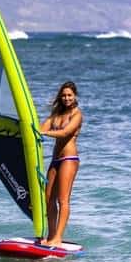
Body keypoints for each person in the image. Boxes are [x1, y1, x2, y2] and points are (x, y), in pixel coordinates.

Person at [39, 81, 82, 247]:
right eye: (63, 95)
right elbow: (41, 128)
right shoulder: (56, 114)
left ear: (75, 96)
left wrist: (44, 132)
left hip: (69, 159)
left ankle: (58, 238)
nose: (66, 98)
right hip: (55, 160)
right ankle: (51, 236)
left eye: (69, 95)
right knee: (48, 199)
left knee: (63, 200)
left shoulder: (77, 115)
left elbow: (65, 133)